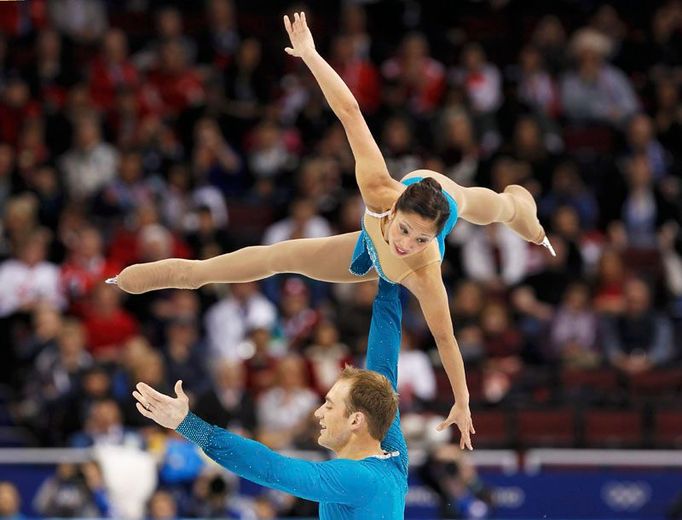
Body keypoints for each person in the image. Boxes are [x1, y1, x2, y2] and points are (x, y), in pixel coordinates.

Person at [115, 12, 554, 442]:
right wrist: (309, 54)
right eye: (405, 231)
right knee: (276, 257)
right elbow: (349, 110)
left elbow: (446, 337)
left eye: (421, 238)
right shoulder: (379, 189)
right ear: (394, 210)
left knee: (500, 208)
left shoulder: (425, 267)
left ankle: (529, 216)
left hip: (447, 199)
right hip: (368, 241)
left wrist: (462, 400)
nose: (408, 244)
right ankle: (187, 273)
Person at [134, 278, 423, 519]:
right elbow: (383, 366)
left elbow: (272, 468)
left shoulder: (356, 477)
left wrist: (187, 424)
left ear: (356, 420)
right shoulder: (392, 453)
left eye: (330, 405)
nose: (318, 413)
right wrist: (387, 280)